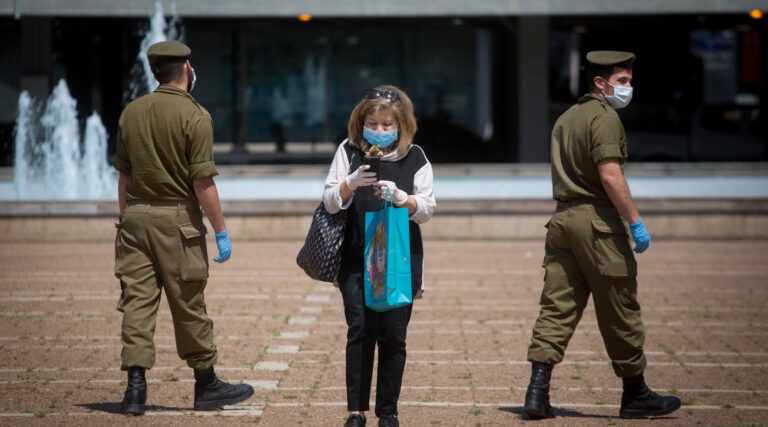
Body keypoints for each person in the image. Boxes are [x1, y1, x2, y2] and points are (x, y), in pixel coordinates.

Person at [522, 51, 681, 420]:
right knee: (620, 307)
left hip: (562, 221)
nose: (628, 88)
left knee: (556, 307)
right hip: (597, 223)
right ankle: (635, 393)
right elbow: (610, 175)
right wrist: (635, 222)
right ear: (600, 82)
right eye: (622, 81)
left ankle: (536, 391)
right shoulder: (604, 118)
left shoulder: (566, 118)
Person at [113, 40, 253, 415]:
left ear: (155, 71)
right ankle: (206, 384)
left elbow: (123, 176)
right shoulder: (196, 116)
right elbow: (202, 183)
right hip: (177, 221)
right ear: (187, 68)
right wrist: (221, 232)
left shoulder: (132, 112)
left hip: (136, 218)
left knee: (137, 303)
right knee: (188, 301)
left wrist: (127, 219)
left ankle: (135, 389)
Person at [323, 85, 436, 427]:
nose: (380, 129)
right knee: (360, 328)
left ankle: (388, 411)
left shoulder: (415, 156)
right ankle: (356, 411)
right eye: (373, 123)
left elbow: (428, 209)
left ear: (401, 124)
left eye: (388, 124)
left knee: (393, 334)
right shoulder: (348, 150)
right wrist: (351, 183)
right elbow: (328, 200)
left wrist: (403, 198)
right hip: (356, 257)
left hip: (399, 257)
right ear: (362, 122)